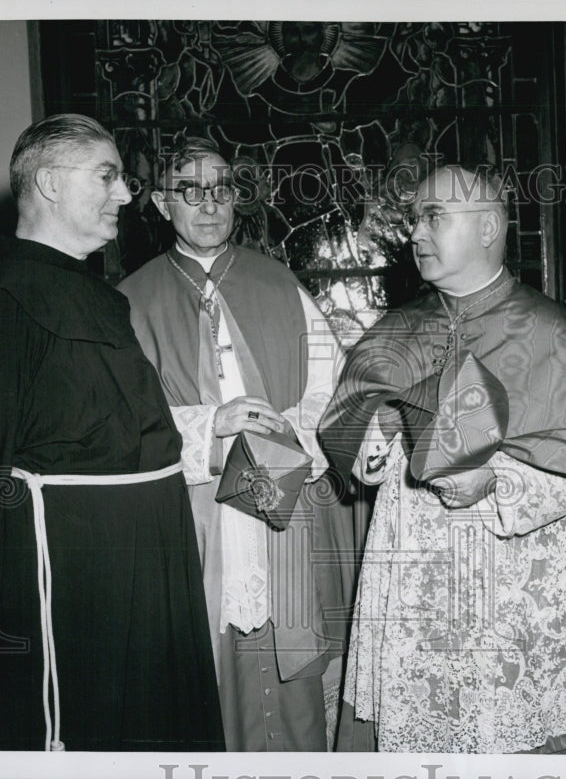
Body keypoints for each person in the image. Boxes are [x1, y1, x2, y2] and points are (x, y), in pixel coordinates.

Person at [0, 114, 224, 751]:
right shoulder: (1, 304)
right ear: (49, 183)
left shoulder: (93, 295)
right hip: (77, 596)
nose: (125, 194)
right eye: (107, 176)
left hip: (147, 574)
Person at [319, 164, 566, 754]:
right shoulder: (397, 325)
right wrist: (371, 446)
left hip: (506, 578)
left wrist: (495, 481)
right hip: (411, 571)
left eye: (432, 217)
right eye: (415, 218)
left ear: (490, 227)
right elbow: (355, 420)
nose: (415, 233)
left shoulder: (548, 330)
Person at [118, 137, 354, 751]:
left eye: (221, 188)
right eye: (190, 190)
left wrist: (283, 440)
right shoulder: (128, 301)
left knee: (291, 669)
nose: (208, 203)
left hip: (282, 505)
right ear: (161, 202)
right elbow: (120, 423)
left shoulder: (281, 285)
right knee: (205, 673)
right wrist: (209, 429)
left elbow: (332, 389)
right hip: (193, 512)